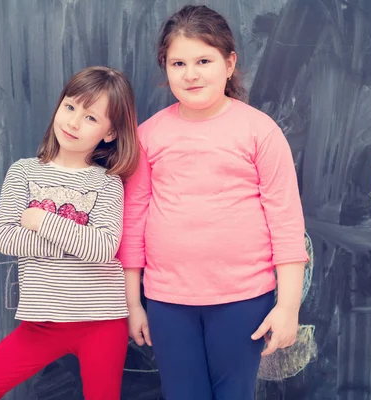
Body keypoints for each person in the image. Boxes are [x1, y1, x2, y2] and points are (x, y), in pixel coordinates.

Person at [117, 5, 308, 400]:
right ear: (165, 68)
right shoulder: (149, 136)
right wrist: (133, 303)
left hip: (242, 299)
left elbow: (286, 221)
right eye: (178, 63)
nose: (191, 73)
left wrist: (288, 306)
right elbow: (132, 222)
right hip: (168, 301)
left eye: (204, 60)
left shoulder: (260, 131)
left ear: (229, 62)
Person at [0, 66, 140, 400]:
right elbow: (8, 239)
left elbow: (103, 248)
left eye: (90, 118)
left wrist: (41, 219)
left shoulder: (107, 183)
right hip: (40, 324)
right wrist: (77, 240)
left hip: (101, 322)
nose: (72, 122)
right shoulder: (23, 172)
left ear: (110, 133)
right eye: (70, 107)